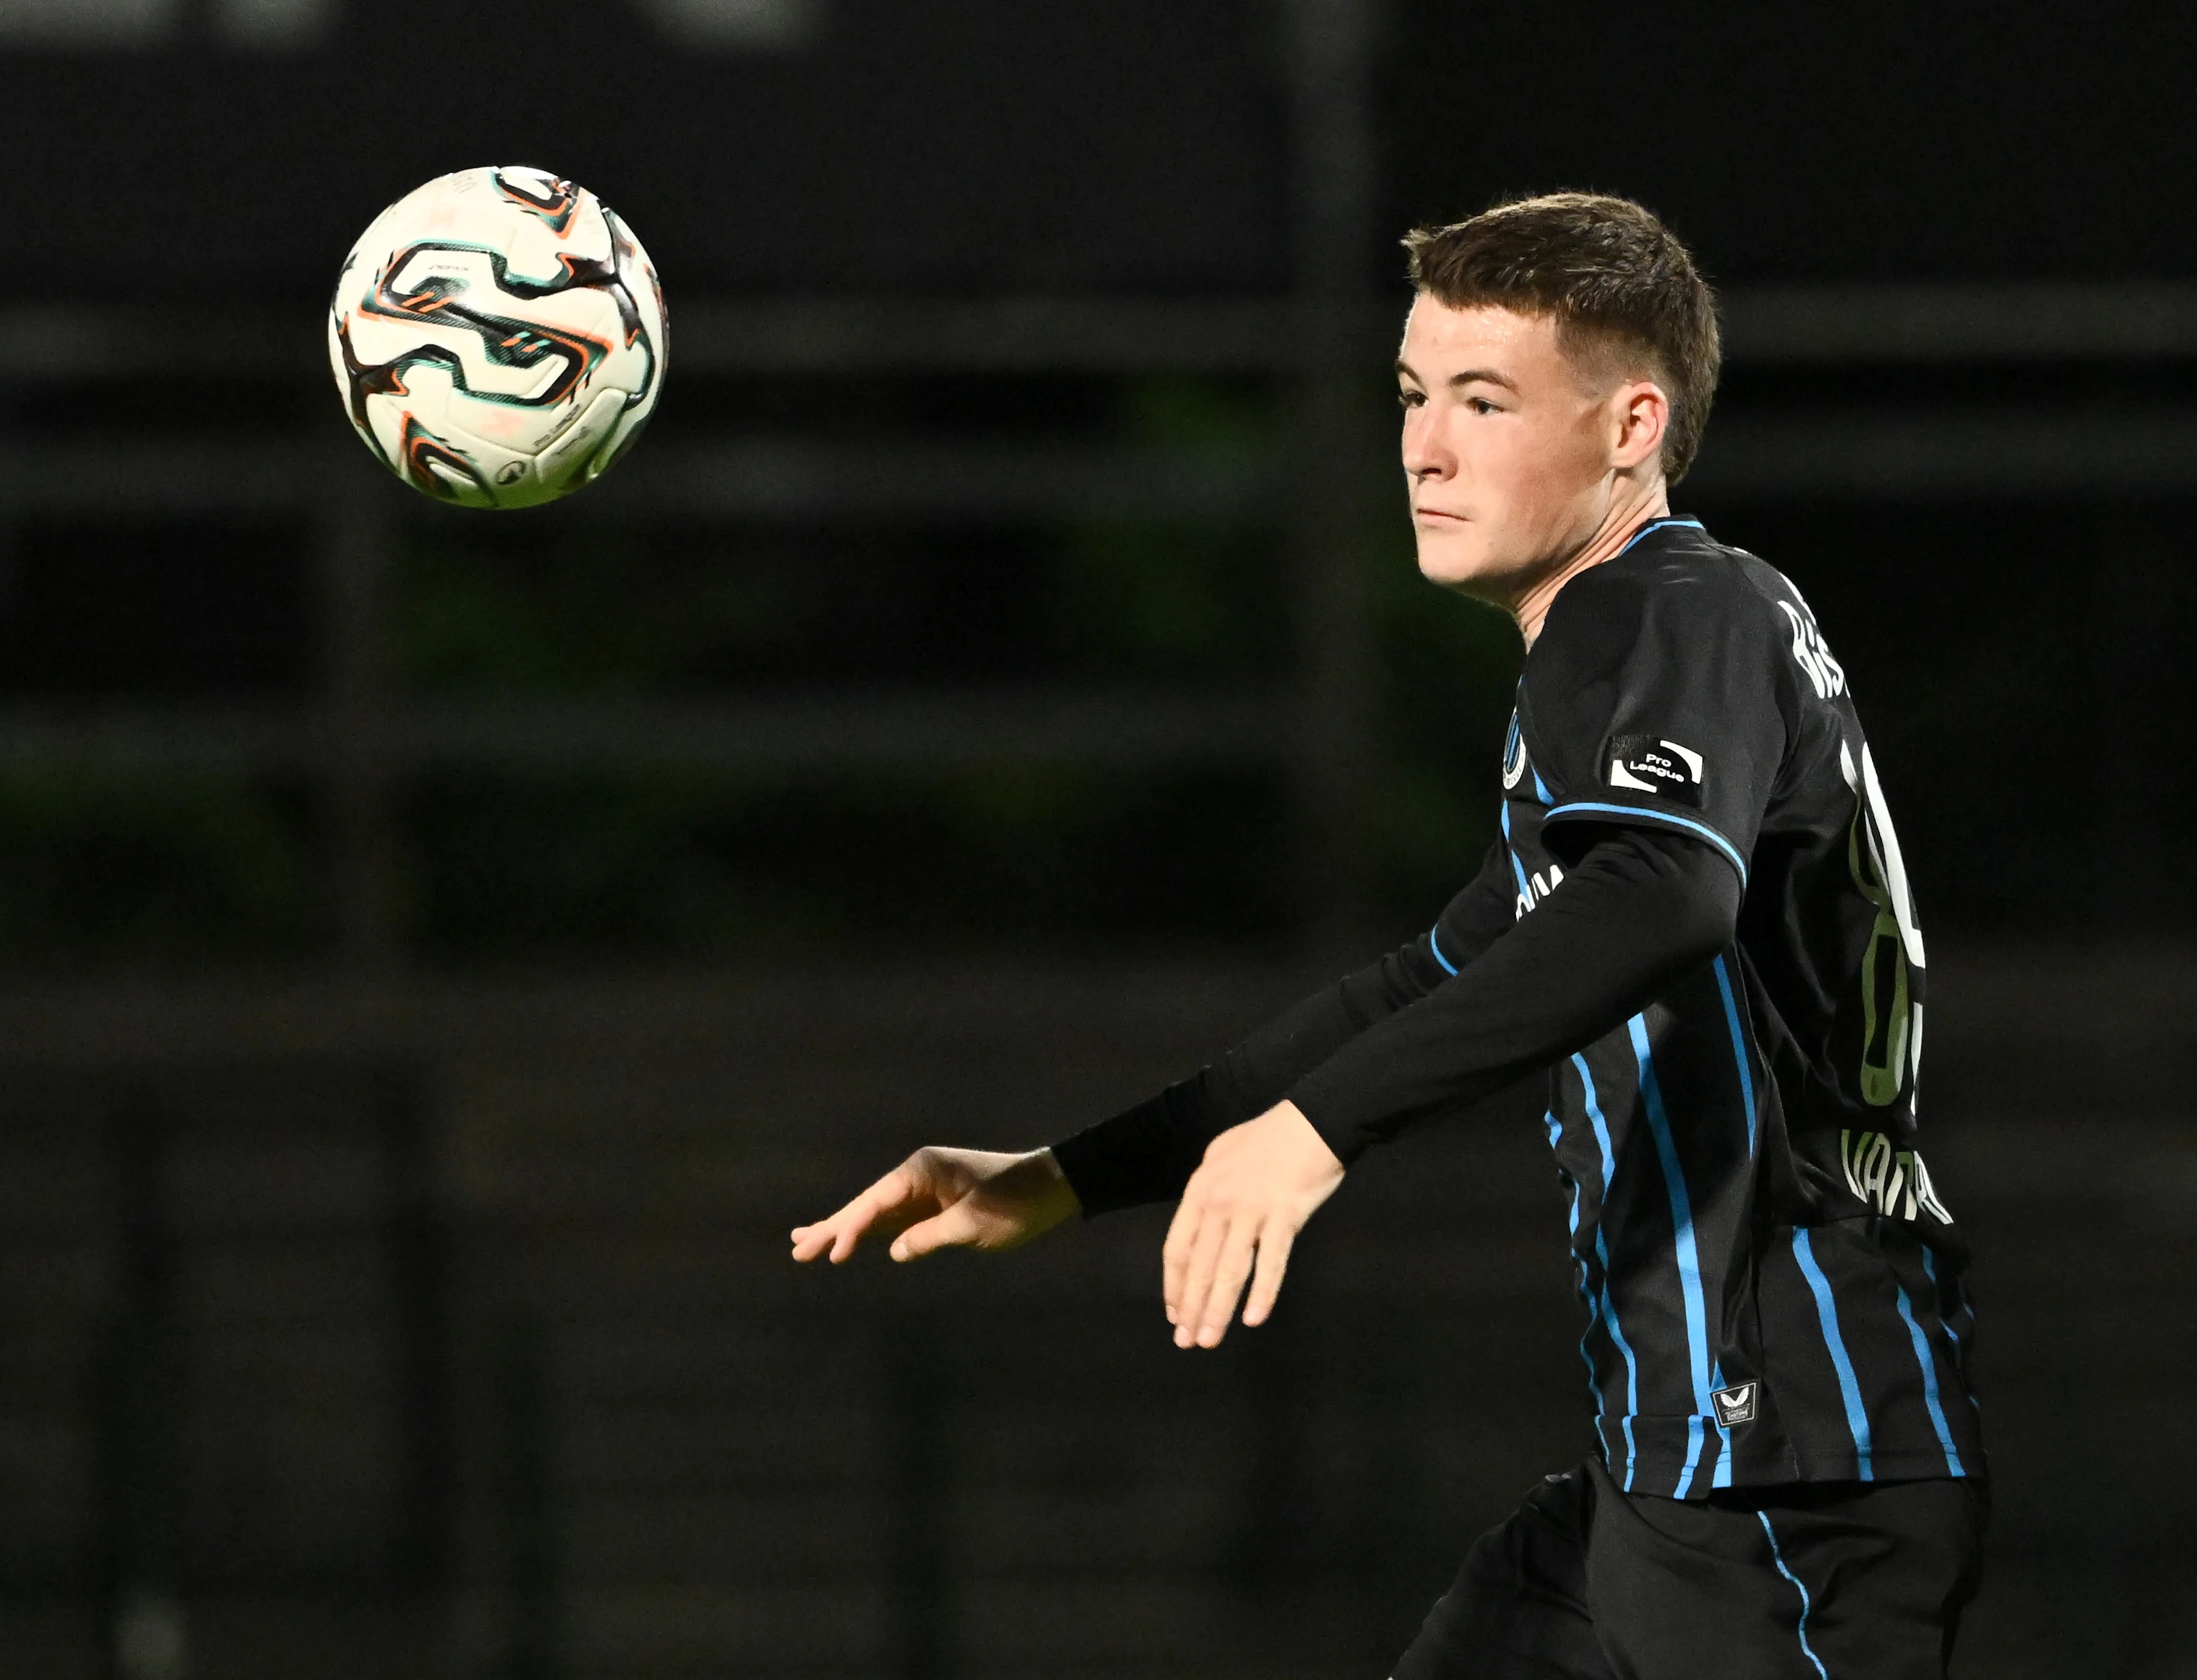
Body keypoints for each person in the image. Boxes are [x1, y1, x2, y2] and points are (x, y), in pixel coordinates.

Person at [791, 192, 1986, 1679]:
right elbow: (1423, 986)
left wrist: (1312, 1138)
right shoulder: (1628, 680)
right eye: (1416, 396)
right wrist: (1065, 1176)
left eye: (1485, 402)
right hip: (1670, 1483)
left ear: (1632, 426)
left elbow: (1666, 903)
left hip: (1784, 1479)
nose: (1425, 446)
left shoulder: (1669, 606)